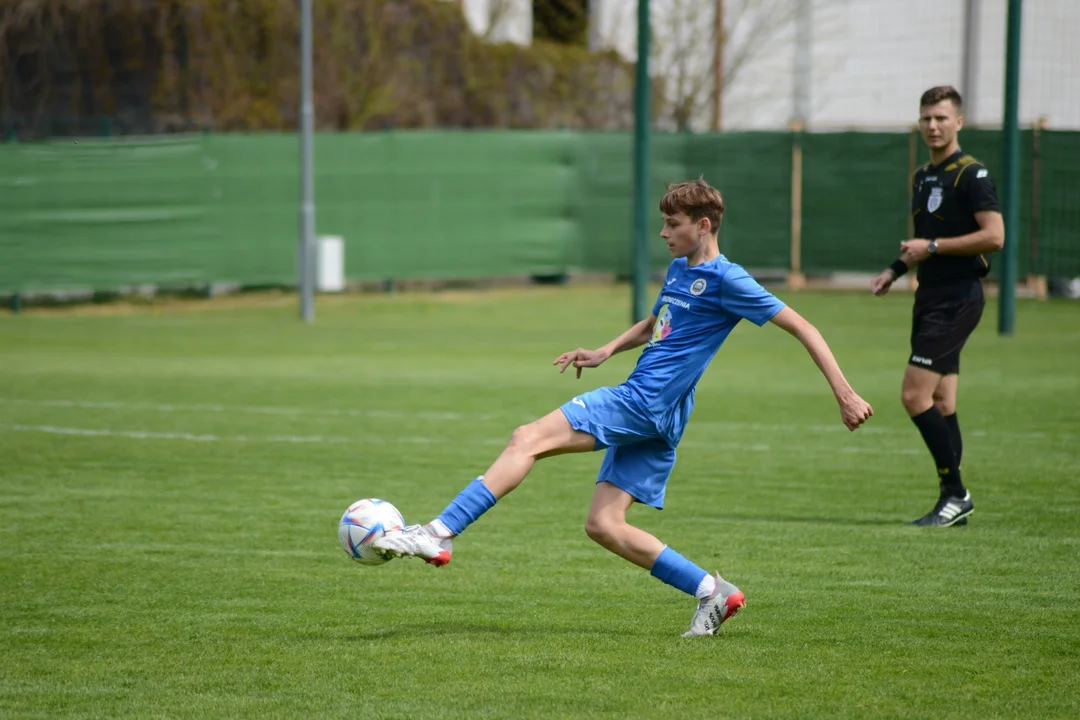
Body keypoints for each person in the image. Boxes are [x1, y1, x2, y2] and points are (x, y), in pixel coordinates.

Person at [376, 179, 874, 636]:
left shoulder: (730, 280)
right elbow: (656, 323)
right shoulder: (680, 270)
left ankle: (438, 532)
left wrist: (845, 393)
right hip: (663, 413)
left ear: (703, 226)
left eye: (673, 225)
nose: (663, 233)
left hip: (644, 402)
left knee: (526, 438)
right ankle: (712, 592)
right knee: (604, 526)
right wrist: (605, 351)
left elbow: (804, 327)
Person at [870, 86, 1004, 527]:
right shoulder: (923, 176)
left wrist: (932, 245)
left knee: (913, 395)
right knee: (943, 401)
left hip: (958, 298)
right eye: (926, 118)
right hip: (929, 296)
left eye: (941, 118)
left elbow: (994, 237)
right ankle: (953, 502)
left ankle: (956, 493)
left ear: (959, 122)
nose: (932, 125)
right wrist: (894, 270)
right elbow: (923, 245)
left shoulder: (973, 175)